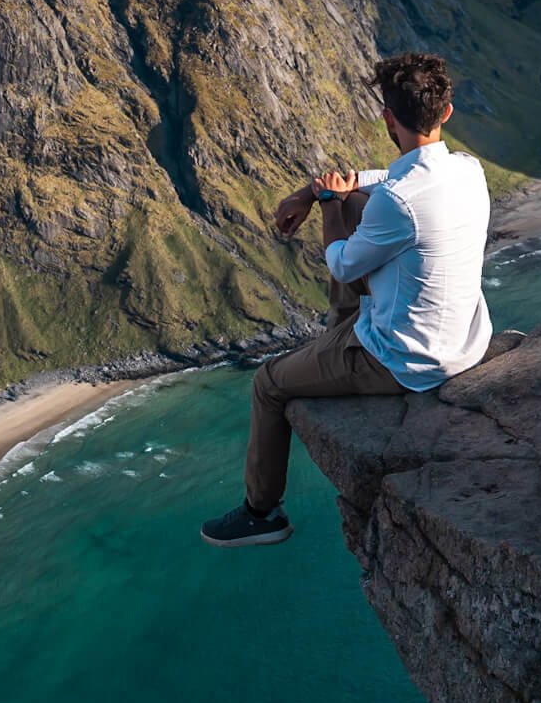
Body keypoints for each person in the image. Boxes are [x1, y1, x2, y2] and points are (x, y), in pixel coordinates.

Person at [201, 51, 492, 547]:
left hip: (403, 361)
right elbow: (389, 177)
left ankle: (260, 513)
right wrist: (314, 191)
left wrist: (328, 207)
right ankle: (338, 333)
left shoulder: (397, 204)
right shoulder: (467, 168)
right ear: (445, 112)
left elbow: (339, 261)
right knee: (357, 202)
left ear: (387, 118)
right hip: (466, 342)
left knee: (269, 383)